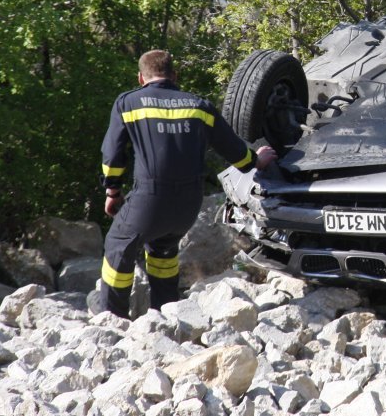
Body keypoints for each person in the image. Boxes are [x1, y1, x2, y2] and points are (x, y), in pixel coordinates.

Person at [99, 49, 277, 318]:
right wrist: (257, 160)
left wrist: (112, 190)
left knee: (118, 244)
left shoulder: (128, 104)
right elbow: (235, 152)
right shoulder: (199, 106)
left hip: (150, 198)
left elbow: (113, 155)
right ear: (175, 75)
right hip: (188, 205)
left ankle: (112, 320)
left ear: (140, 78)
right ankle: (168, 315)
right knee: (163, 249)